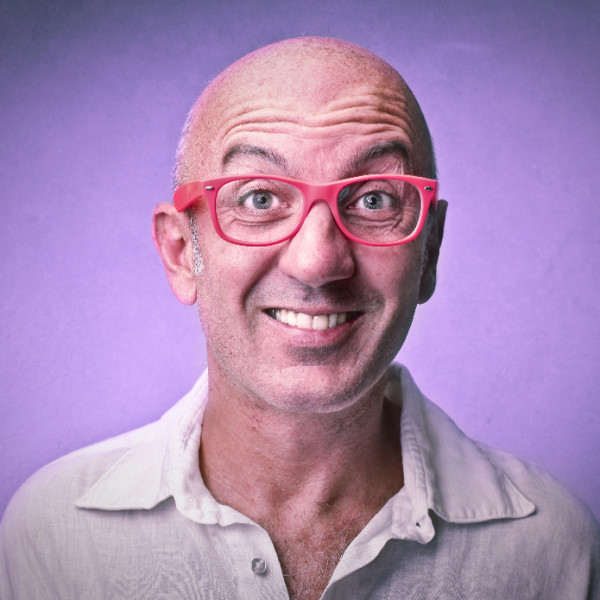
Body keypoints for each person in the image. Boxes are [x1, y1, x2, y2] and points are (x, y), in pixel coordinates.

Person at [1, 37, 598, 600]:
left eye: (374, 199)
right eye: (258, 198)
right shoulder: (53, 539)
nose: (317, 263)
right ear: (181, 252)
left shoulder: (552, 552)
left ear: (430, 252)